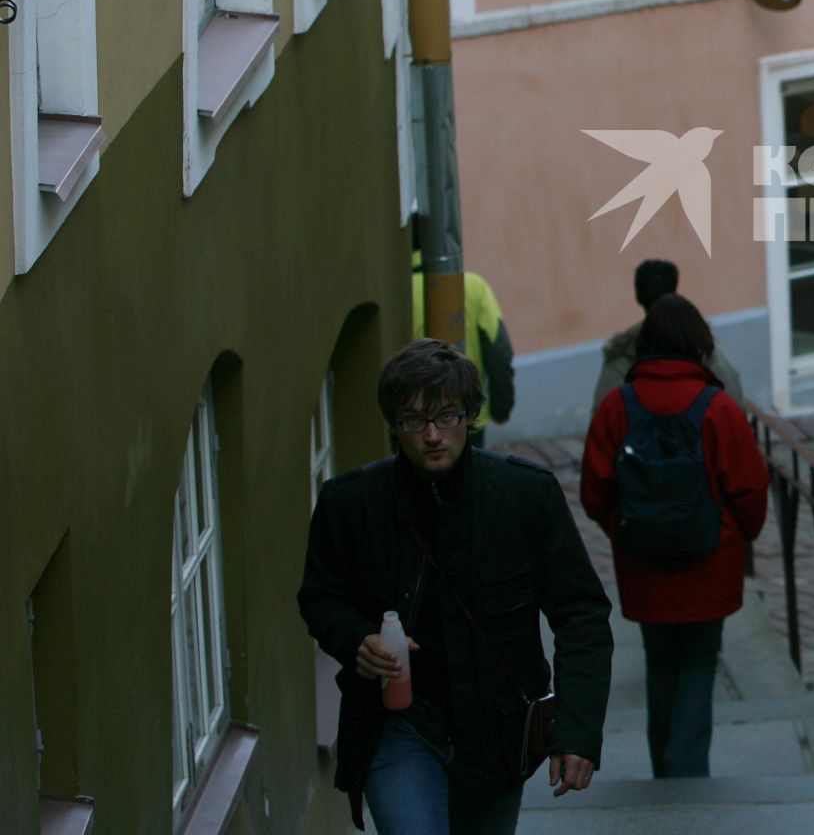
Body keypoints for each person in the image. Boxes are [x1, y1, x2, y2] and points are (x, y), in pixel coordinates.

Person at [300, 339, 613, 833]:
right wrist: (356, 639)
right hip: (396, 725)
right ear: (393, 424)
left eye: (446, 416)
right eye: (412, 420)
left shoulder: (525, 495)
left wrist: (576, 733)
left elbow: (581, 614)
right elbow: (319, 597)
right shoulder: (350, 503)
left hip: (495, 735)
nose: (431, 435)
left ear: (470, 417)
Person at [580, 295, 770, 778]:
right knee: (698, 664)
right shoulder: (718, 407)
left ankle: (666, 768)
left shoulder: (616, 407)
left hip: (643, 562)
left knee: (659, 663)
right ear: (698, 344)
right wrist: (735, 536)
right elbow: (750, 487)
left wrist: (623, 529)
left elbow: (593, 489)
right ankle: (686, 773)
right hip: (710, 561)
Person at [411, 216, 516, 447]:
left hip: (416, 420)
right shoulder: (473, 286)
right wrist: (501, 406)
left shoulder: (401, 294)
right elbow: (499, 351)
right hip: (468, 413)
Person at [592, 258, 744, 411]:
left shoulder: (622, 352)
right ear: (674, 291)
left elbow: (603, 413)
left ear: (638, 297)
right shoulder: (699, 342)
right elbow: (732, 394)